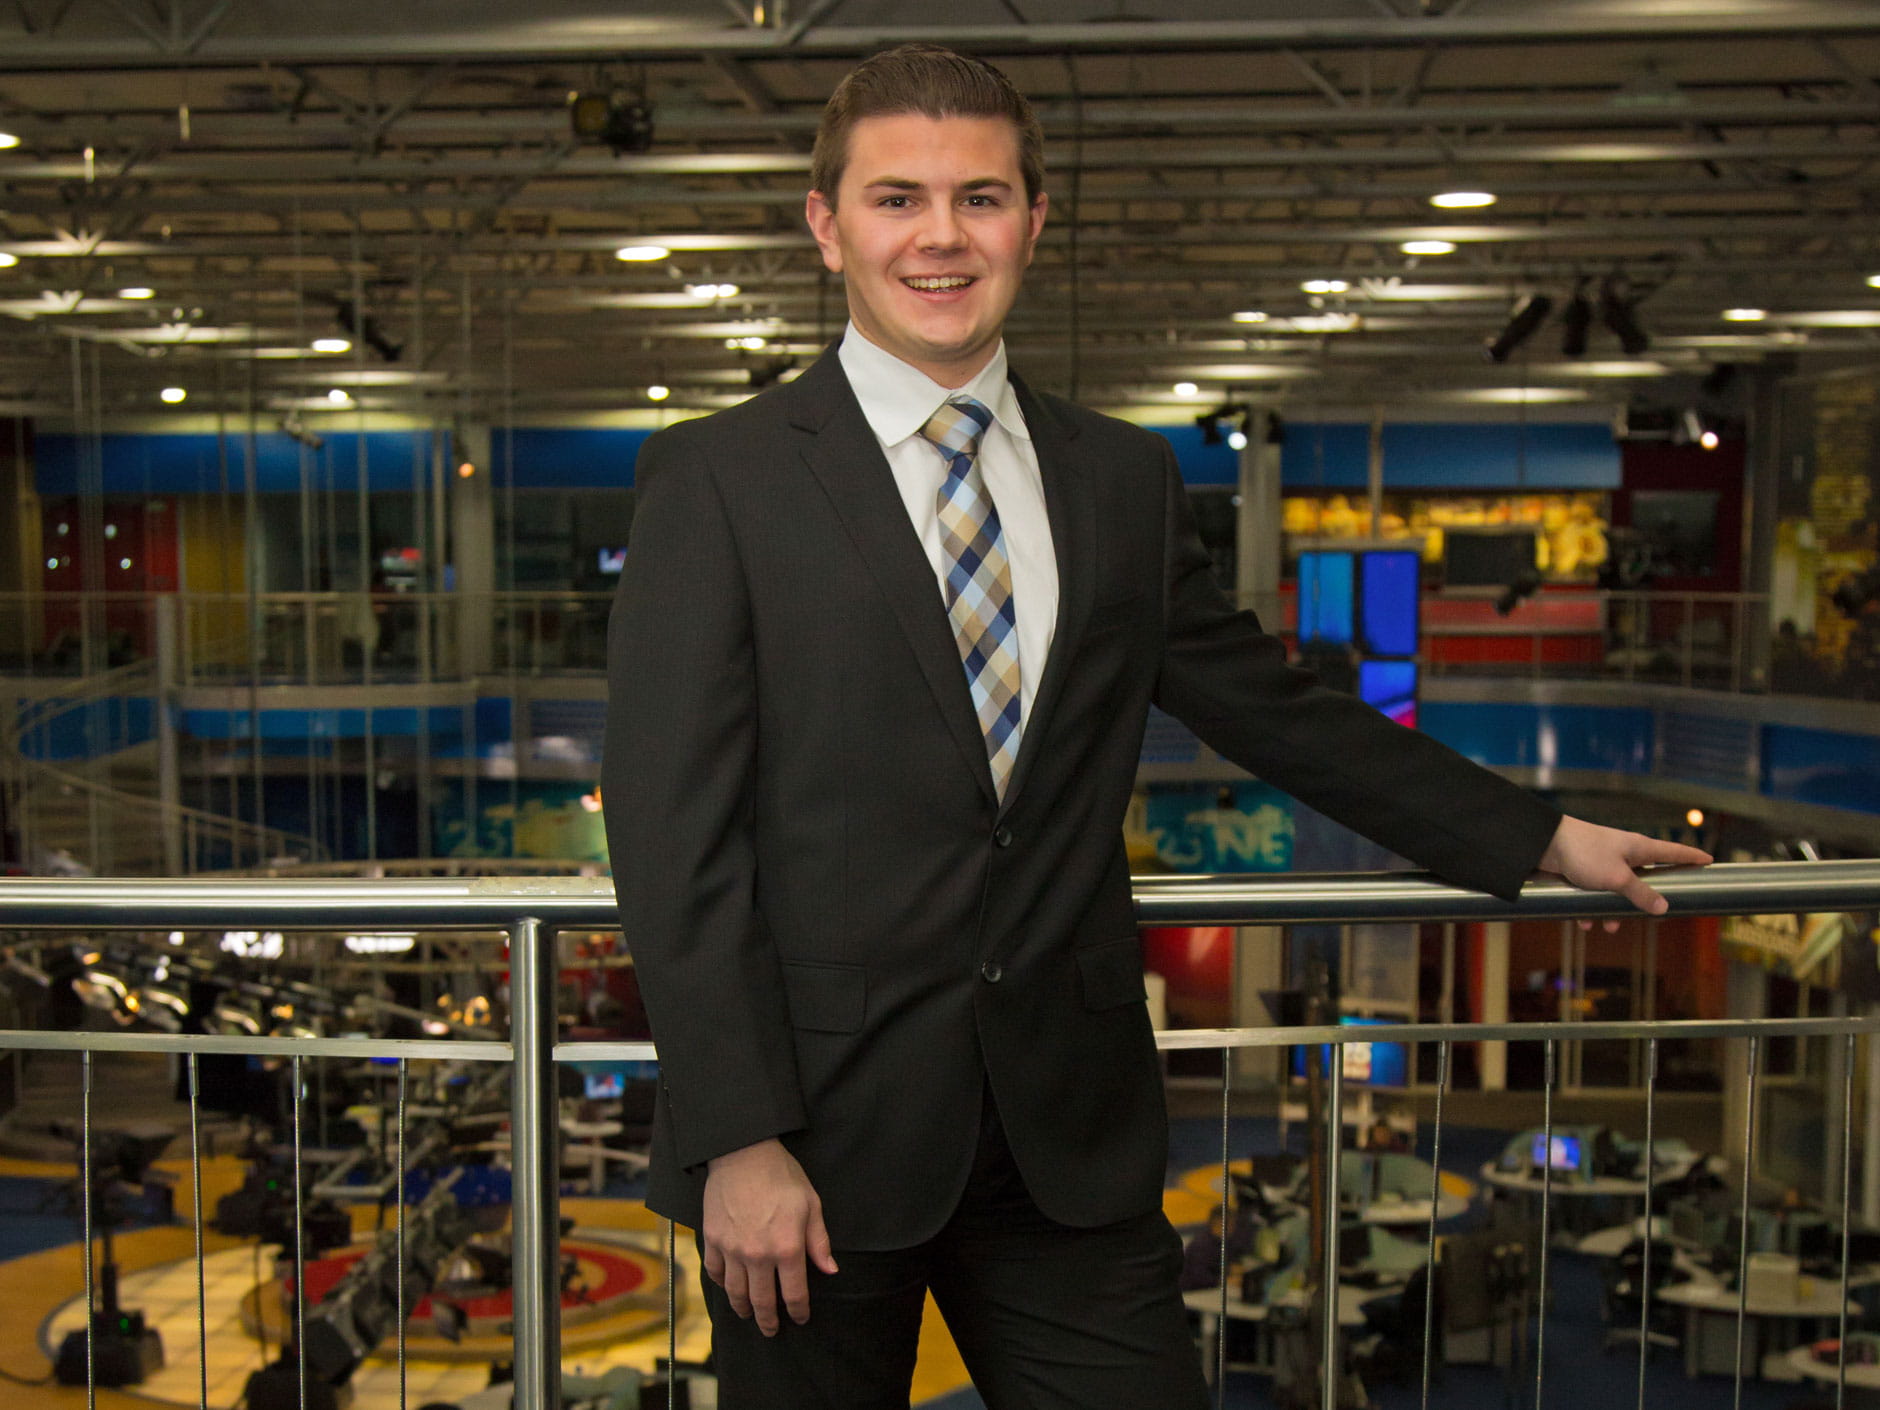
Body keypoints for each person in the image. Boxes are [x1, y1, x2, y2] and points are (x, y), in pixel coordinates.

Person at [601, 42, 1710, 1410]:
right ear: (827, 225)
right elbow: (671, 836)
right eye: (898, 199)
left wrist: (1536, 832)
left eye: (982, 198)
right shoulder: (717, 477)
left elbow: (1279, 709)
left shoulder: (1120, 476)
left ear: (1034, 221)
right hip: (814, 1147)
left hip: (1068, 1141)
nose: (942, 236)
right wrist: (738, 1135)